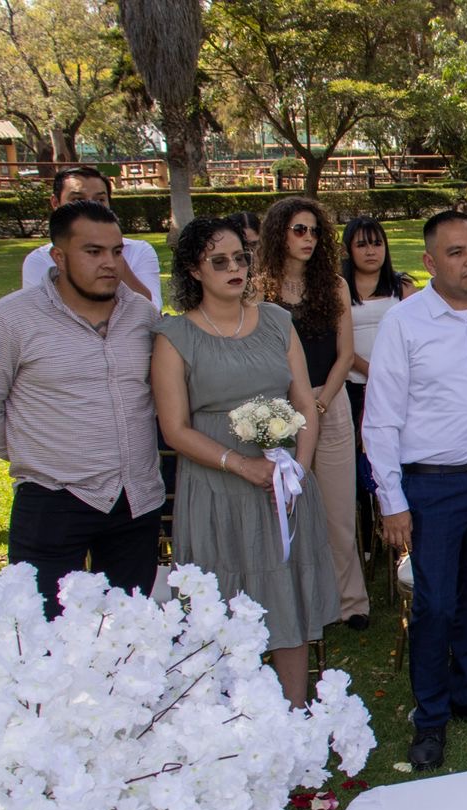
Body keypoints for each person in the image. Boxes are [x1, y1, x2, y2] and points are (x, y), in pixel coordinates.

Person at [365, 210, 467, 771]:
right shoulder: (405, 323)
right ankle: (429, 714)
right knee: (435, 604)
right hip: (431, 486)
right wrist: (393, 502)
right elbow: (380, 419)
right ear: (430, 262)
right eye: (457, 252)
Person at [152, 216, 338, 705]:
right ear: (194, 271)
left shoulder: (277, 320)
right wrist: (241, 465)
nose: (234, 268)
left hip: (284, 483)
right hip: (217, 487)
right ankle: (232, 716)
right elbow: (175, 429)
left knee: (286, 594)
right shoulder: (175, 337)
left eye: (241, 258)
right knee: (226, 600)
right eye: (219, 261)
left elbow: (305, 402)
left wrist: (297, 467)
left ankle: (295, 712)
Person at [0, 200, 163, 613]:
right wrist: (37, 453)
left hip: (136, 500)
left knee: (129, 637)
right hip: (52, 502)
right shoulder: (11, 320)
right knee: (45, 639)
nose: (109, 263)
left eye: (116, 251)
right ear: (58, 256)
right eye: (93, 252)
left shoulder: (142, 315)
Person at [258, 197, 369, 630]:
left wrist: (319, 405)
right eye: (299, 230)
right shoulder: (258, 290)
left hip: (331, 399)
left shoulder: (334, 285)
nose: (309, 239)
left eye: (315, 231)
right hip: (279, 407)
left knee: (339, 512)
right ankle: (296, 601)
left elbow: (345, 355)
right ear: (278, 234)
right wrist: (296, 409)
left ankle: (351, 602)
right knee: (288, 509)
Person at [341, 216, 415, 569]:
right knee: (358, 468)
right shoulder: (338, 288)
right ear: (348, 249)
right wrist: (372, 372)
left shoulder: (402, 287)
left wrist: (387, 378)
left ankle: (401, 540)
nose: (371, 251)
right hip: (353, 387)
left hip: (398, 391)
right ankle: (364, 541)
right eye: (362, 244)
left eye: (377, 243)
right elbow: (340, 344)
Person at [21, 166, 162, 311]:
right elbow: (36, 317)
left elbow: (152, 310)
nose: (90, 207)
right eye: (77, 200)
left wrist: (114, 255)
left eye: (100, 200)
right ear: (56, 203)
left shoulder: (139, 251)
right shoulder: (39, 260)